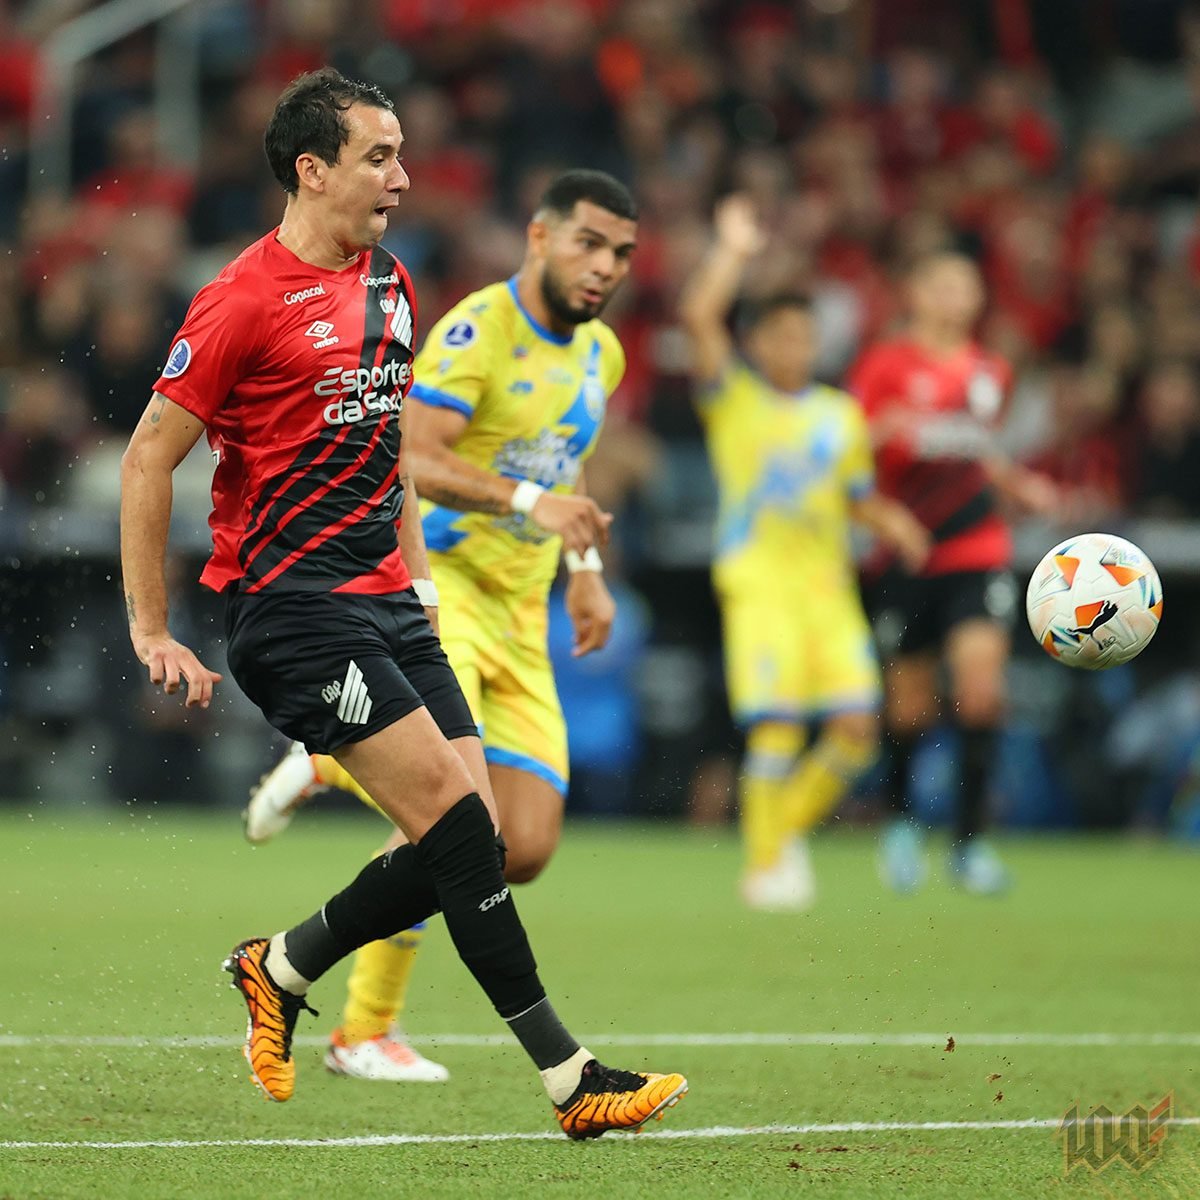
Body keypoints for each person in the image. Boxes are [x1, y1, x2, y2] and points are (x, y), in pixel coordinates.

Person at [119, 67, 686, 1137]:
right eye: (380, 156)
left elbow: (392, 460)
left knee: (479, 840)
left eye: (402, 152)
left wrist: (421, 581)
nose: (404, 176)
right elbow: (150, 457)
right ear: (312, 167)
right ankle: (571, 1079)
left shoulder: (389, 281)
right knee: (462, 827)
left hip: (391, 601)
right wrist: (152, 628)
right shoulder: (242, 297)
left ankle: (281, 966)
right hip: (291, 608)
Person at [242, 167, 636, 1083]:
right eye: (588, 243)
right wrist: (532, 501)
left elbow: (565, 475)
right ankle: (361, 1030)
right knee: (450, 819)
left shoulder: (601, 355)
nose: (604, 267)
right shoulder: (477, 329)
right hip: (441, 589)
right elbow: (413, 455)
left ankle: (336, 764)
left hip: (523, 613)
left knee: (521, 846)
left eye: (620, 252)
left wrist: (583, 571)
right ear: (539, 238)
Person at [679, 195, 930, 910]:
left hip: (827, 587)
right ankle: (765, 868)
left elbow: (853, 496)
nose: (795, 347)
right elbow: (699, 318)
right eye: (783, 335)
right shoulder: (736, 399)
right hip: (760, 584)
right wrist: (733, 248)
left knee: (855, 731)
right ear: (758, 342)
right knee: (778, 726)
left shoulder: (839, 415)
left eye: (805, 336)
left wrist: (894, 523)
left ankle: (777, 835)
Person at [848, 250, 1055, 895]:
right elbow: (847, 452)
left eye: (965, 288)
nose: (953, 299)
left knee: (981, 687)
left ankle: (970, 843)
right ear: (915, 292)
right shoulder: (885, 365)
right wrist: (881, 436)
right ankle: (903, 824)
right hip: (906, 553)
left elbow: (979, 455)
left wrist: (1018, 485)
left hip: (976, 548)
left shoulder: (991, 371)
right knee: (909, 704)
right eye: (941, 285)